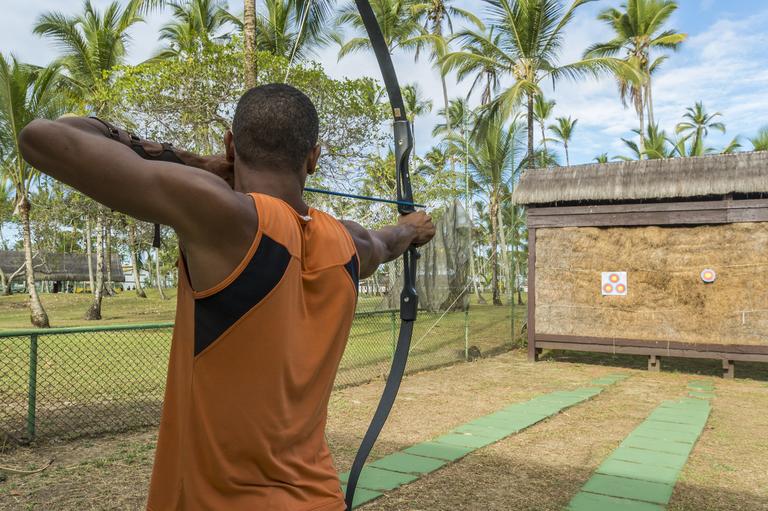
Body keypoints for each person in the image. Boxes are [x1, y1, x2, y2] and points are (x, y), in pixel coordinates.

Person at [19, 83, 435, 511]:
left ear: (231, 145)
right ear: (313, 158)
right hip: (319, 499)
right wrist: (414, 229)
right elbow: (389, 241)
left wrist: (198, 162)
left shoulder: (225, 218)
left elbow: (43, 136)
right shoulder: (348, 244)